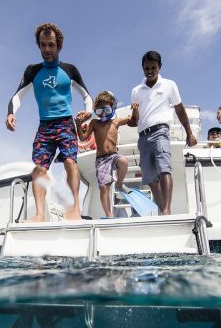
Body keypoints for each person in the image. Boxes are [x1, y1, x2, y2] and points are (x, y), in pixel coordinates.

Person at [5, 22, 92, 222]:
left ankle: (75, 210)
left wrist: (88, 113)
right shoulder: (32, 71)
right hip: (45, 127)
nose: (47, 50)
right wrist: (11, 113)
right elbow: (17, 96)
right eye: (43, 45)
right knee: (39, 168)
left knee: (70, 162)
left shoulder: (70, 70)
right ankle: (39, 215)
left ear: (58, 45)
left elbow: (87, 96)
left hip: (65, 124)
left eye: (51, 45)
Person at [129, 50, 197, 216]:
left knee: (164, 169)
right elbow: (134, 121)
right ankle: (163, 209)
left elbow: (180, 110)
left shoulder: (169, 85)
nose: (150, 71)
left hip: (161, 131)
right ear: (142, 68)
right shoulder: (136, 91)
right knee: (150, 178)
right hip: (143, 136)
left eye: (153, 67)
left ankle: (166, 210)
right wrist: (133, 115)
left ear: (160, 67)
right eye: (146, 68)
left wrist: (189, 133)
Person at [76, 91, 137, 217]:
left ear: (112, 108)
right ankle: (109, 214)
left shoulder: (116, 122)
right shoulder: (94, 123)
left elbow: (134, 121)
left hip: (114, 155)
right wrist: (77, 124)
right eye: (99, 111)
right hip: (101, 159)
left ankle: (119, 183)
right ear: (95, 111)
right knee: (104, 188)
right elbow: (82, 138)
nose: (103, 114)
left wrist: (135, 110)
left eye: (107, 110)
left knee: (124, 161)